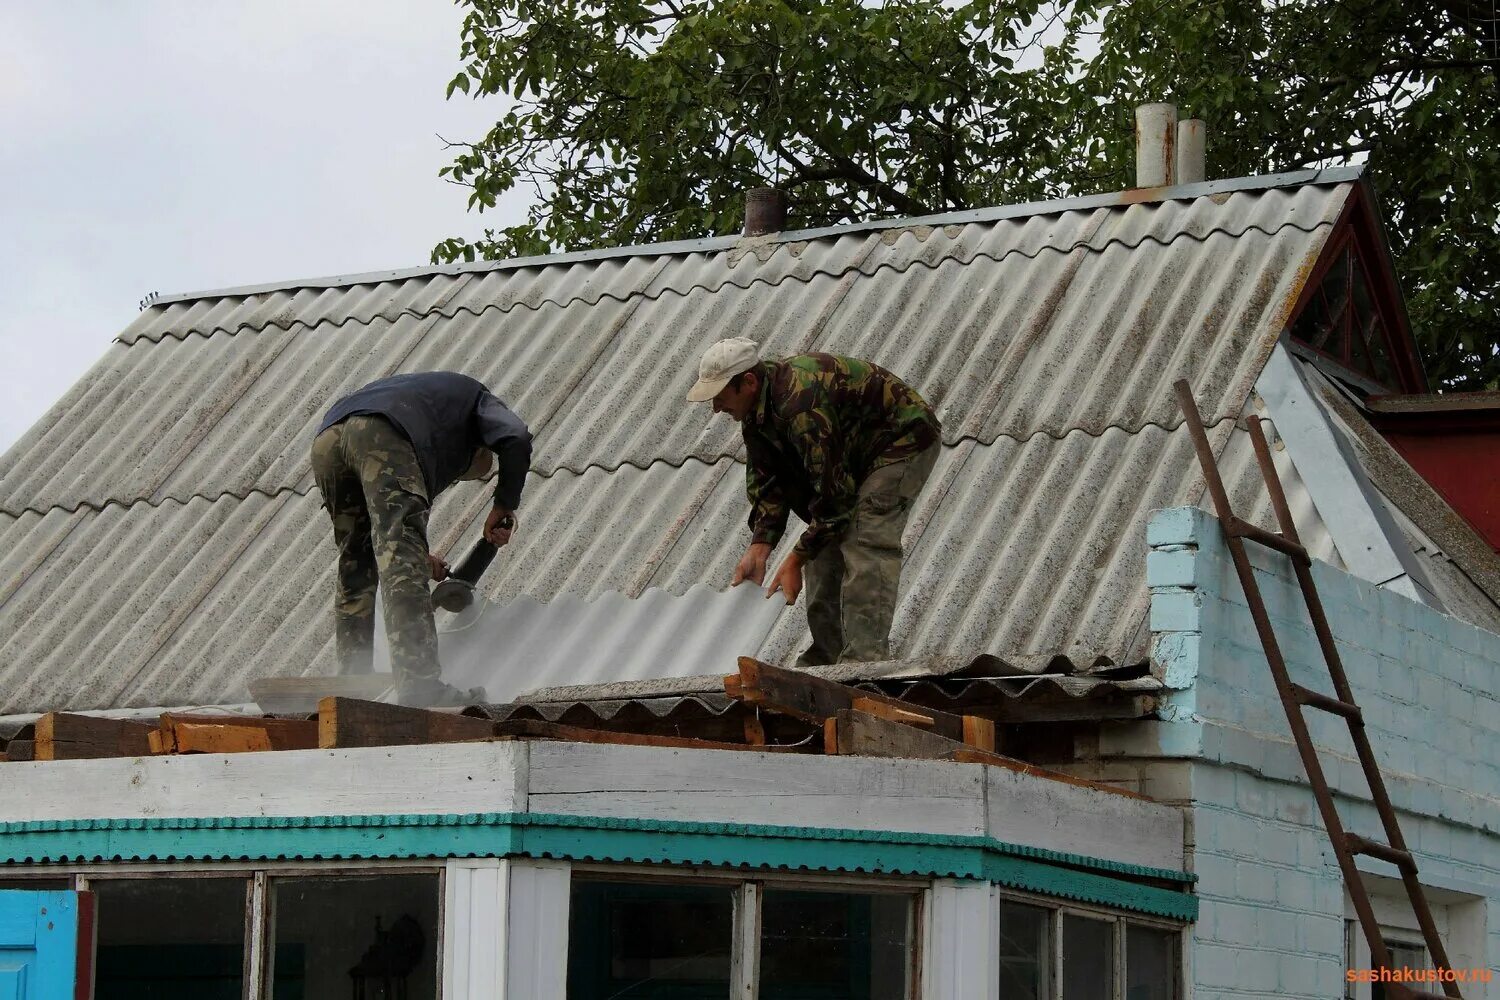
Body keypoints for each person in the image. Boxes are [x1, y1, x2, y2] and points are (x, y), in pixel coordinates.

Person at [687, 339, 940, 665]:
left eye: (720, 396)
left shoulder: (801, 407)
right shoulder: (756, 412)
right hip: (852, 454)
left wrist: (794, 560)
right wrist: (760, 546)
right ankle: (828, 659)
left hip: (901, 439)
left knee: (866, 536)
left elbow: (835, 501)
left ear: (748, 382)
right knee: (820, 551)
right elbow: (767, 481)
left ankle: (865, 662)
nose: (716, 408)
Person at [310, 371, 531, 705]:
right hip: (382, 432)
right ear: (474, 448)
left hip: (329, 439)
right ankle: (420, 685)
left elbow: (385, 532)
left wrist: (420, 556)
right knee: (401, 560)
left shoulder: (430, 408)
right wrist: (504, 504)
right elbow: (516, 437)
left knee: (357, 562)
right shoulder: (476, 400)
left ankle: (352, 687)